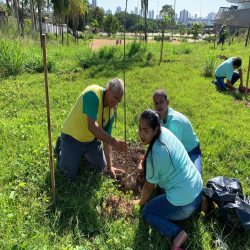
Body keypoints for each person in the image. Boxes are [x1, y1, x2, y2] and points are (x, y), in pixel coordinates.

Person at [133, 109, 203, 250]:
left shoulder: (155, 156)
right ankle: (203, 204)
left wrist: (140, 202)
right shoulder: (165, 132)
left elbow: (148, 187)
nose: (141, 134)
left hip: (185, 206)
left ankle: (177, 234)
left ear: (155, 129)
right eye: (140, 129)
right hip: (198, 190)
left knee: (148, 211)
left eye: (146, 131)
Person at [55, 78, 128, 181]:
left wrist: (110, 166)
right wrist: (113, 141)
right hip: (72, 137)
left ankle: (82, 153)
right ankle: (60, 146)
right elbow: (92, 126)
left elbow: (106, 141)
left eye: (118, 101)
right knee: (68, 176)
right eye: (115, 98)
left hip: (91, 141)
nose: (116, 102)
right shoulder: (93, 93)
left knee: (102, 168)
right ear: (110, 89)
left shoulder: (110, 113)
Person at [153, 90, 203, 177]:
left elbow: (175, 151)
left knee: (196, 181)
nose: (159, 106)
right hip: (177, 152)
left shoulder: (174, 121)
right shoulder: (159, 119)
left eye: (161, 102)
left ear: (167, 102)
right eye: (156, 103)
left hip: (191, 151)